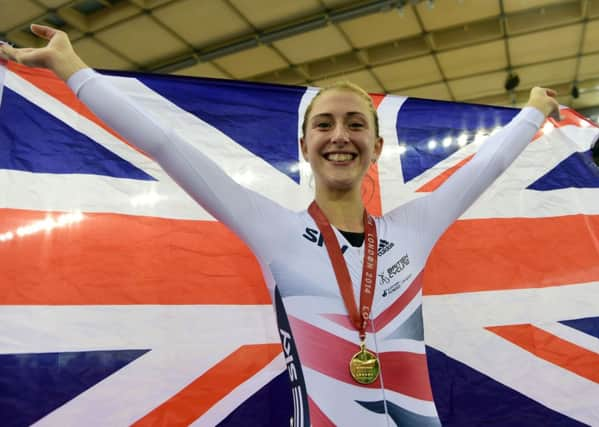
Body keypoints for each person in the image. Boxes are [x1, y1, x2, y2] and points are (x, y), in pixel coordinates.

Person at [0, 25, 559, 426]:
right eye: (325, 124)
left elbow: (487, 166)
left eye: (355, 124)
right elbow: (166, 146)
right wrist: (71, 68)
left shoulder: (416, 227)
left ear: (376, 146)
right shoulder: (273, 230)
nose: (340, 135)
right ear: (305, 145)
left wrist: (533, 109)